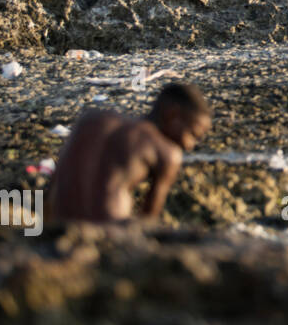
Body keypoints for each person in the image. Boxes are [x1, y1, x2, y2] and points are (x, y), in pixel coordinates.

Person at [44, 83, 211, 224]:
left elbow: (52, 187)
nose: (190, 146)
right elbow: (148, 220)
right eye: (193, 134)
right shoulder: (167, 152)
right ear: (172, 114)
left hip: (60, 226)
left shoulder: (90, 120)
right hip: (109, 231)